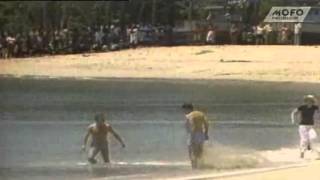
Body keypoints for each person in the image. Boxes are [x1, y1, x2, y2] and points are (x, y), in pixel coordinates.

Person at [182, 103, 209, 169]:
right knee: (200, 151)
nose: (184, 112)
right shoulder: (201, 114)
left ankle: (194, 167)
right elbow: (206, 123)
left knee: (191, 151)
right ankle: (201, 165)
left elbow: (191, 123)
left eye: (184, 110)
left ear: (187, 109)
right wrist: (206, 133)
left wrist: (192, 134)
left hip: (193, 134)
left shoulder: (189, 115)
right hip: (201, 134)